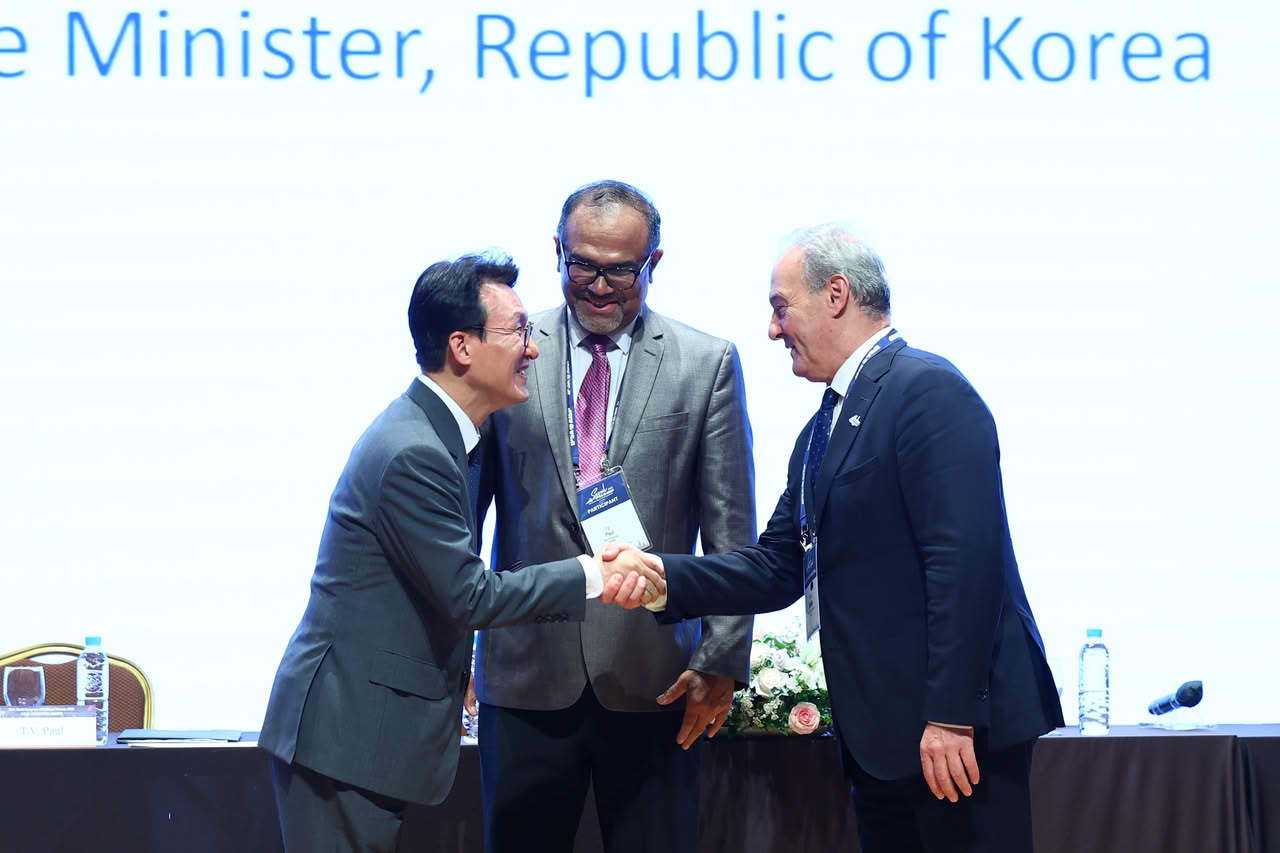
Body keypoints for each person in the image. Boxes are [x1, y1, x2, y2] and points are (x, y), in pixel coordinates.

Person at [625, 224, 1064, 852]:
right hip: (883, 742)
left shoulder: (926, 391)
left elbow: (964, 563)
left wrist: (950, 715)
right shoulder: (821, 430)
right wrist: (662, 576)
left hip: (952, 736)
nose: (774, 330)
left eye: (781, 308)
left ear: (836, 295)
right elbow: (777, 565)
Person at [258, 252, 666, 853]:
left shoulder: (439, 436)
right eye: (520, 331)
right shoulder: (414, 451)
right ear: (462, 346)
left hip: (363, 735)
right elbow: (470, 594)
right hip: (343, 736)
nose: (534, 349)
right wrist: (592, 574)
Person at [471, 181, 757, 853]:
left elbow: (731, 535)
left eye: (621, 269)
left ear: (654, 262)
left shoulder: (705, 363)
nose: (599, 285)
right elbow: (463, 515)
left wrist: (721, 656)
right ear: (558, 252)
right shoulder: (505, 349)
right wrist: (453, 648)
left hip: (655, 679)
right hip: (524, 678)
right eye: (583, 264)